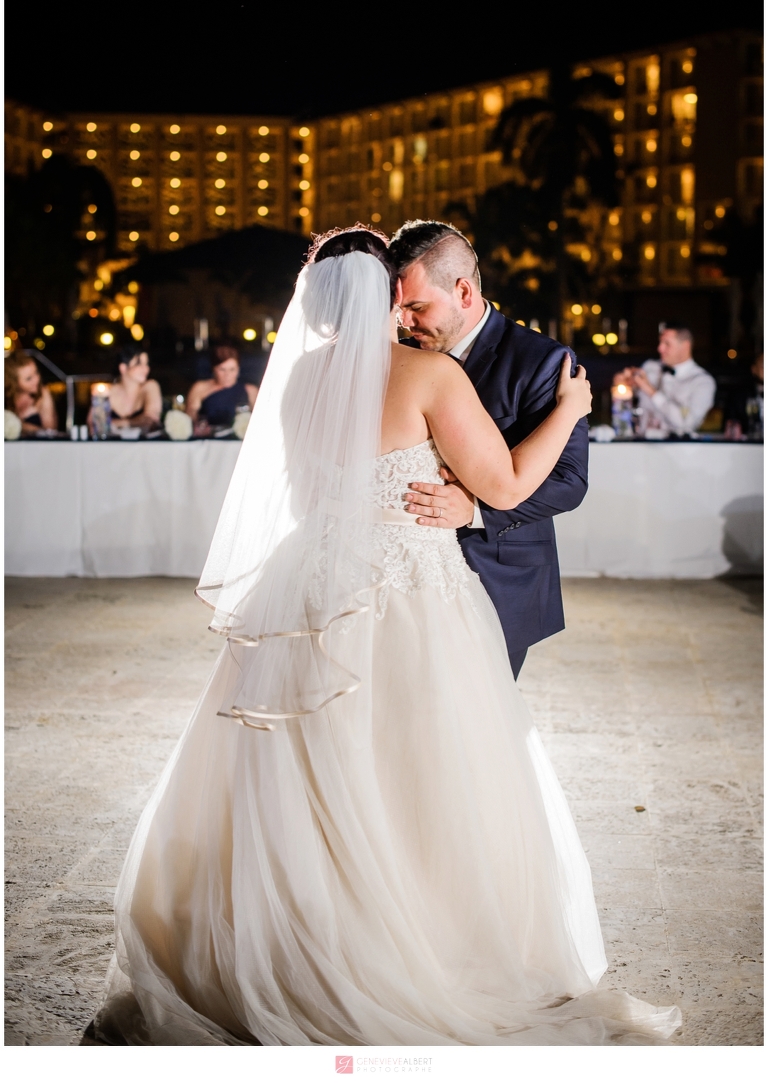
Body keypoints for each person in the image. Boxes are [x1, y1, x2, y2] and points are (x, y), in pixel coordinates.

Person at [88, 227, 680, 1047]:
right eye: (395, 296)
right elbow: (506, 481)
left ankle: (292, 938)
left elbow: (306, 493)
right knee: (426, 772)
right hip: (412, 596)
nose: (405, 309)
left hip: (310, 589)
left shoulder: (296, 380)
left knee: (300, 771)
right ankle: (421, 943)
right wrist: (575, 409)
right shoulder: (429, 374)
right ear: (377, 296)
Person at [389, 220, 588, 681]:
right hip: (405, 575)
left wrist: (475, 507)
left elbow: (569, 482)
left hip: (498, 573)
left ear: (462, 291)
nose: (406, 322)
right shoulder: (402, 359)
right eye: (400, 310)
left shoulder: (542, 361)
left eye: (417, 307)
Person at [613, 323, 716, 438]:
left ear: (685, 346)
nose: (660, 348)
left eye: (667, 344)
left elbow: (686, 424)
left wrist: (651, 391)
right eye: (660, 343)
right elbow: (625, 396)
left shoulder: (702, 382)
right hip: (640, 444)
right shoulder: (650, 367)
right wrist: (623, 381)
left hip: (677, 450)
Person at [88, 346, 163, 434]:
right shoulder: (108, 391)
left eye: (146, 364)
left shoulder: (150, 386)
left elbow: (152, 419)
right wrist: (135, 422)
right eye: (139, 364)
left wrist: (118, 423)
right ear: (123, 368)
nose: (146, 369)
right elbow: (93, 423)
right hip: (113, 444)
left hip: (143, 445)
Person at [186, 346, 258, 435]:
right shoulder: (200, 387)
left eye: (232, 369)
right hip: (209, 440)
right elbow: (191, 413)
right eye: (222, 369)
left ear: (238, 369)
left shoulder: (250, 390)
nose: (227, 374)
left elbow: (260, 419)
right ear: (214, 369)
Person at [4, 350, 58, 435]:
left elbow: (50, 433)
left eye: (36, 372)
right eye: (28, 379)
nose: (36, 380)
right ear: (13, 382)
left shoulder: (43, 393)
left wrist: (19, 426)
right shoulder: (6, 397)